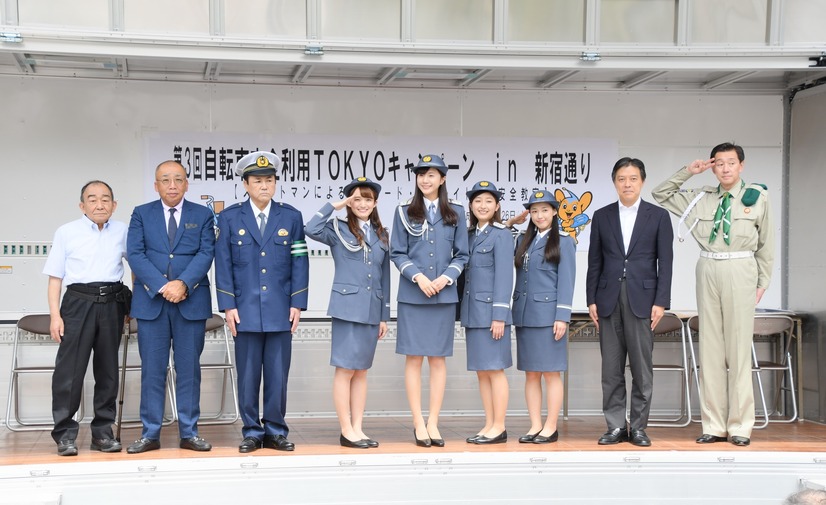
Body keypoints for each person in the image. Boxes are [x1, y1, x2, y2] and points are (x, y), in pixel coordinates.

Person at [652, 142, 774, 447]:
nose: (725, 168)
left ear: (741, 166)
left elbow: (767, 243)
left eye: (731, 163)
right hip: (708, 268)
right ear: (712, 166)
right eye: (718, 163)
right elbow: (660, 194)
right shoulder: (701, 199)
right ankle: (714, 425)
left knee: (738, 350)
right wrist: (688, 172)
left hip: (741, 268)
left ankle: (741, 426)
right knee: (710, 351)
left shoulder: (756, 197)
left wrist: (762, 282)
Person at [214, 151, 309, 453]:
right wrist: (228, 306)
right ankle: (252, 431)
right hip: (245, 311)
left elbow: (300, 261)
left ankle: (276, 430)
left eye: (269, 180)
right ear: (245, 184)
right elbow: (223, 263)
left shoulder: (291, 216)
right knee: (248, 375)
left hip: (281, 309)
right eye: (257, 181)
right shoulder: (229, 218)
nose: (264, 186)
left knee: (278, 374)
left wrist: (298, 303)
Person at [126, 160, 216, 453]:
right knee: (152, 369)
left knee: (189, 369)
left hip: (191, 302)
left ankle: (189, 432)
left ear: (187, 183)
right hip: (152, 302)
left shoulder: (202, 214)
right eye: (165, 180)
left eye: (178, 179)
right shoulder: (141, 214)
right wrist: (164, 286)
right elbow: (136, 254)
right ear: (156, 185)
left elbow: (206, 253)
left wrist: (183, 284)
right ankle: (150, 433)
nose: (172, 185)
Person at [586, 158, 673, 447]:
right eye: (622, 178)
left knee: (641, 368)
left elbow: (666, 262)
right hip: (608, 298)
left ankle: (638, 427)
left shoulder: (658, 216)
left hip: (643, 300)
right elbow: (594, 261)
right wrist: (591, 300)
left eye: (633, 178)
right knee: (610, 369)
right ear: (614, 182)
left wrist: (661, 301)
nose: (627, 184)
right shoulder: (602, 215)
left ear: (642, 182)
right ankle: (614, 426)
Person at [43, 181, 130, 456]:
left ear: (114, 205)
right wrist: (55, 315)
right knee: (70, 372)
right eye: (92, 199)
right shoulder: (67, 232)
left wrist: (134, 304)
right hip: (77, 304)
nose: (99, 204)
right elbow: (55, 278)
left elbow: (135, 268)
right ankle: (65, 434)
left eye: (106, 199)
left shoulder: (123, 231)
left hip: (113, 302)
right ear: (82, 205)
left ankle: (103, 433)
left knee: (107, 371)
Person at [305, 177, 390, 449]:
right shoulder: (337, 229)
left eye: (367, 199)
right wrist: (337, 204)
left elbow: (384, 276)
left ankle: (358, 428)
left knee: (362, 371)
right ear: (349, 203)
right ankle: (345, 429)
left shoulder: (381, 234)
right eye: (356, 199)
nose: (362, 203)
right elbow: (310, 227)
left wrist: (384, 315)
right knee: (345, 370)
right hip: (346, 308)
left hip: (371, 309)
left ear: (375, 203)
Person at [390, 154, 469, 447]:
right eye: (421, 174)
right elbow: (397, 252)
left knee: (437, 360)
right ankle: (417, 422)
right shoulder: (403, 211)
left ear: (443, 179)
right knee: (414, 359)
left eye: (432, 174)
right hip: (413, 295)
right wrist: (418, 277)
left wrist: (446, 277)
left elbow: (463, 254)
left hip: (444, 296)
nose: (425, 179)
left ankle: (433, 421)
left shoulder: (457, 212)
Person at [512, 190, 575, 444]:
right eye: (535, 211)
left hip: (549, 317)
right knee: (531, 373)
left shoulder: (564, 241)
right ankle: (535, 424)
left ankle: (550, 426)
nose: (539, 216)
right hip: (525, 314)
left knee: (551, 373)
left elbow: (567, 281)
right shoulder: (523, 241)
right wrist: (509, 223)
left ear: (554, 212)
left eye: (545, 210)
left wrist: (562, 316)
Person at [460, 181, 514, 445]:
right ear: (471, 205)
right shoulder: (469, 235)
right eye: (478, 201)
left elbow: (505, 276)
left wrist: (499, 316)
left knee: (495, 370)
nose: (483, 206)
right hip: (473, 312)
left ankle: (500, 426)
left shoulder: (502, 235)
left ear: (497, 206)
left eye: (488, 201)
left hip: (493, 314)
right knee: (482, 371)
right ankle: (489, 423)